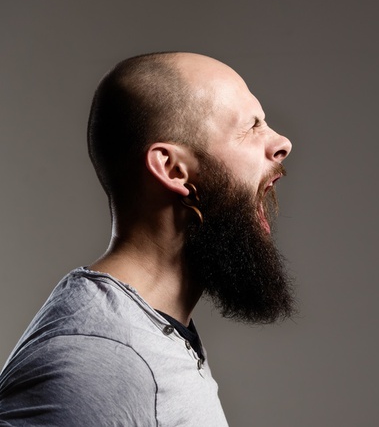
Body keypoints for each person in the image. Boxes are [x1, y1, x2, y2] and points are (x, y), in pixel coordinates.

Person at [0, 52, 295, 426]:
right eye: (251, 127)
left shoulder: (152, 335)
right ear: (173, 169)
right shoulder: (101, 362)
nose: (282, 142)